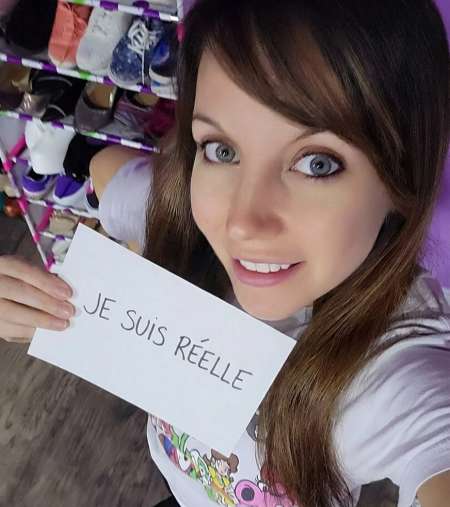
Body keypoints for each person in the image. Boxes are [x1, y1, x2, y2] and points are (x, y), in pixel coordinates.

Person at [1, 1, 450, 506]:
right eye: (222, 150)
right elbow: (108, 171)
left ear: (400, 180)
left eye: (318, 164)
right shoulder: (182, 224)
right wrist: (27, 301)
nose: (241, 223)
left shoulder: (392, 366)